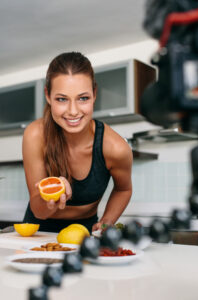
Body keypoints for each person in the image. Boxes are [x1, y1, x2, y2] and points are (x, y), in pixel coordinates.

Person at [22, 51, 133, 233]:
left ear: (94, 94)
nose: (73, 111)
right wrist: (51, 200)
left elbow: (123, 189)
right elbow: (37, 209)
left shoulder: (115, 148)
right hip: (37, 232)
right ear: (48, 96)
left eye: (83, 98)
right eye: (62, 99)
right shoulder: (35, 135)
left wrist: (106, 221)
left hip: (84, 232)